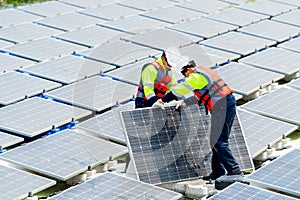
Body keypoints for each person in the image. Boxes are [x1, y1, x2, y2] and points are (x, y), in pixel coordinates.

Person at [154, 61, 243, 180]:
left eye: (184, 74)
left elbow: (179, 91)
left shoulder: (195, 76)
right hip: (226, 104)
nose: (185, 77)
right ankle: (218, 171)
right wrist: (184, 101)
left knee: (218, 141)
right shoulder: (204, 72)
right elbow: (203, 95)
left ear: (189, 69)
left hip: (222, 106)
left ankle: (235, 171)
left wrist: (162, 101)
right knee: (216, 140)